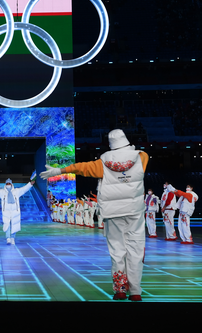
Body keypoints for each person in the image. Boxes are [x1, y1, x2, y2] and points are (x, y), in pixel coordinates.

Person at [40, 129, 148, 302]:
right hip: (135, 212)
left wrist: (58, 170)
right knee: (135, 252)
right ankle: (135, 292)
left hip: (113, 213)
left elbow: (80, 168)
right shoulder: (141, 157)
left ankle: (120, 289)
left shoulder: (103, 162)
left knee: (117, 252)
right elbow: (137, 157)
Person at [0, 177, 36, 245]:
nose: (8, 184)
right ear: (5, 184)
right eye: (7, 183)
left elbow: (24, 189)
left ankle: (13, 238)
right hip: (6, 211)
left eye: (9, 183)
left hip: (15, 211)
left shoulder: (16, 191)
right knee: (7, 224)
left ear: (11, 184)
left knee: (14, 224)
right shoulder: (2, 192)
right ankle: (8, 238)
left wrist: (30, 184)